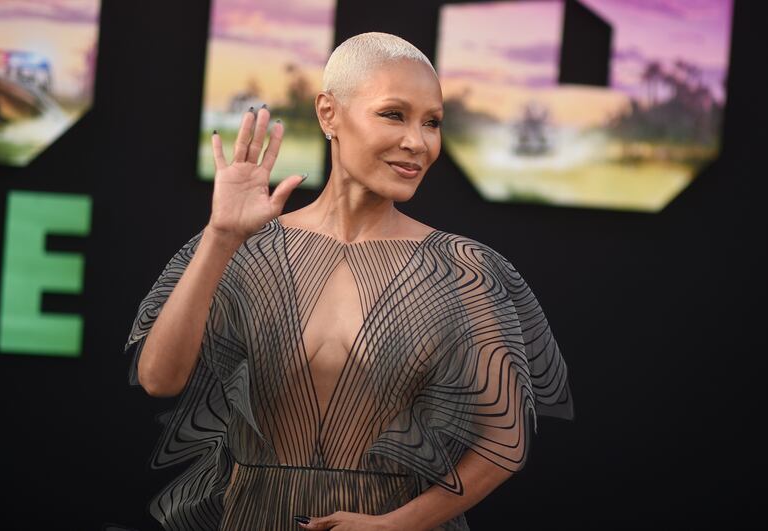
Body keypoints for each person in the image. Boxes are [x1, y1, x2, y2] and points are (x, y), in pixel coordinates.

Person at [124, 32, 573, 531]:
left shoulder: (461, 270)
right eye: (393, 114)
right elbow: (159, 379)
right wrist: (220, 236)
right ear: (328, 114)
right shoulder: (244, 248)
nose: (417, 142)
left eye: (432, 123)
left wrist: (397, 524)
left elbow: (504, 441)